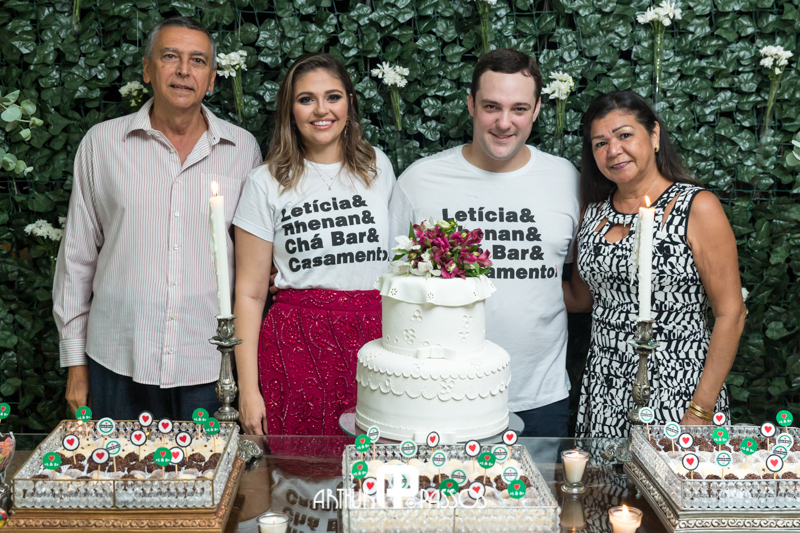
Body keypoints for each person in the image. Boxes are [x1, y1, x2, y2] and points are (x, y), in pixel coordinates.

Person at [53, 17, 262, 421]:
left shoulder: (243, 150)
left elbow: (253, 257)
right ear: (148, 69)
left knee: (207, 465)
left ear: (212, 79)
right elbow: (76, 259)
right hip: (117, 360)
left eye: (197, 60)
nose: (184, 70)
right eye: (170, 56)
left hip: (208, 364)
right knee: (119, 463)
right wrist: (76, 363)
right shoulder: (102, 144)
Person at [388, 49, 580, 438]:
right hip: (440, 397)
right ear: (471, 104)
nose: (504, 123)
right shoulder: (420, 181)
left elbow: (580, 278)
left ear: (537, 110)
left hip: (539, 397)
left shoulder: (566, 180)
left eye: (519, 109)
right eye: (492, 106)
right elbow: (390, 286)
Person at [232, 53, 396, 436]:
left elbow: (395, 265)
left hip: (375, 342)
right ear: (290, 111)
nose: (322, 110)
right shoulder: (265, 182)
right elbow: (250, 294)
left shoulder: (378, 166)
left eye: (333, 97)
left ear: (349, 104)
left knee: (375, 462)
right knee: (298, 466)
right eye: (306, 99)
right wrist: (248, 391)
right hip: (296, 343)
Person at [566, 90, 746, 438]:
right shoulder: (593, 214)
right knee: (606, 476)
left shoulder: (696, 207)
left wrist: (700, 410)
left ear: (654, 135)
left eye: (624, 135)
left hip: (679, 389)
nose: (613, 150)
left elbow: (732, 314)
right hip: (604, 391)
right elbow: (580, 298)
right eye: (600, 143)